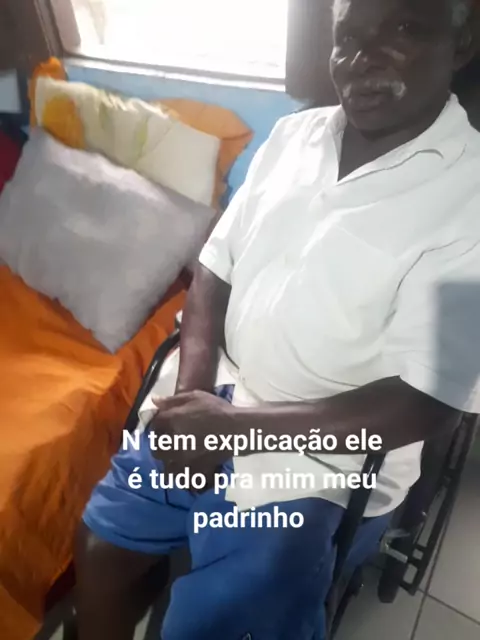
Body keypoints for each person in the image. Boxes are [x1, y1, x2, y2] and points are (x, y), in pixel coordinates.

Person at [75, 1, 480, 638]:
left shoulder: (470, 196)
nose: (361, 60)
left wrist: (232, 431)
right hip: (217, 397)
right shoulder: (294, 136)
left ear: (461, 44)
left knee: (228, 611)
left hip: (324, 461)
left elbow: (427, 402)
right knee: (101, 548)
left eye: (403, 30)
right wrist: (196, 398)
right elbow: (214, 269)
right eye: (347, 38)